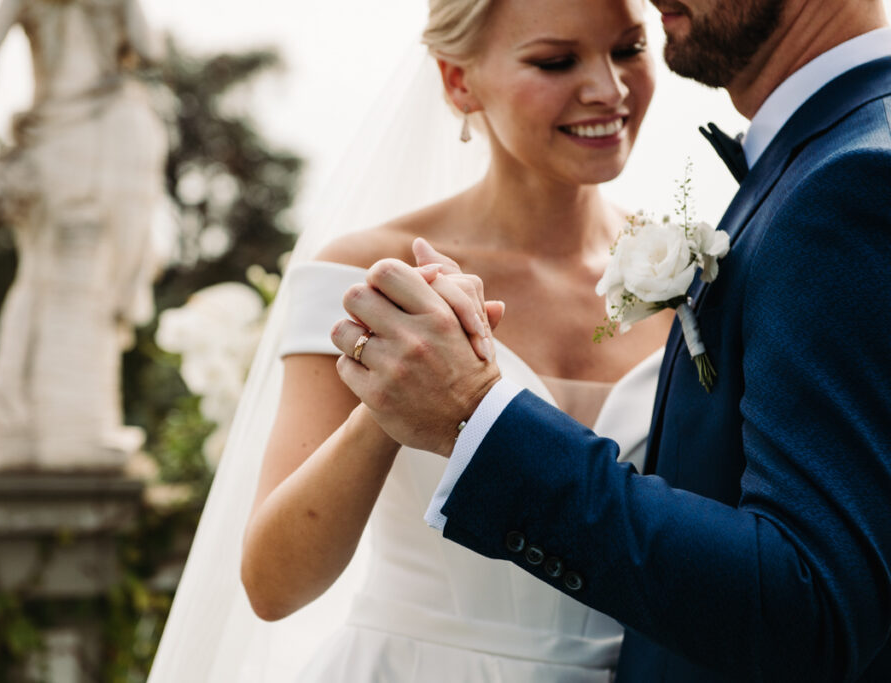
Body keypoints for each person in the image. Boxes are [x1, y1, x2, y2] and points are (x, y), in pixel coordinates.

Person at [331, 0, 891, 680]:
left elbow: (810, 599)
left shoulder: (846, 178)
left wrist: (476, 414)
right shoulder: (832, 152)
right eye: (556, 60)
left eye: (625, 49)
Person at [149, 0, 672, 680]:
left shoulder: (688, 274)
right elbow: (273, 585)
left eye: (629, 48)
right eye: (556, 61)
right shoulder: (364, 275)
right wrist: (396, 398)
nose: (609, 88)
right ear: (458, 80)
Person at [0, 0, 167, 469]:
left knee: (45, 273)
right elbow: (148, 51)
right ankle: (72, 429)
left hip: (57, 130)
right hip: (114, 125)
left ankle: (24, 423)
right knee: (91, 279)